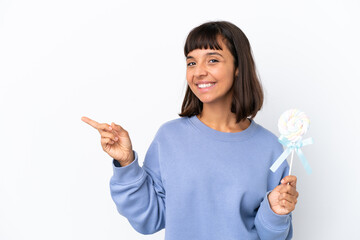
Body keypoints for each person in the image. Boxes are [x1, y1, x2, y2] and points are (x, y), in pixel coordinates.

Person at [81, 20, 299, 240]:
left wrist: (274, 212)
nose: (199, 72)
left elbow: (272, 236)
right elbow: (149, 219)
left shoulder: (270, 148)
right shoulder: (170, 138)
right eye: (191, 63)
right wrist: (126, 163)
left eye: (212, 60)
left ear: (238, 68)